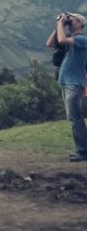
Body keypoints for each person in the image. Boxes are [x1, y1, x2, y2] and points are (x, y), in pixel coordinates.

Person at [46, 12, 87, 162]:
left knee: (75, 118)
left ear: (80, 24)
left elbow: (62, 40)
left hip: (74, 84)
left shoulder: (81, 39)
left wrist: (61, 23)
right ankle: (82, 150)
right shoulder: (71, 41)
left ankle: (83, 152)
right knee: (74, 118)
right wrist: (59, 25)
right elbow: (50, 44)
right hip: (66, 82)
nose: (70, 22)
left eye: (73, 20)